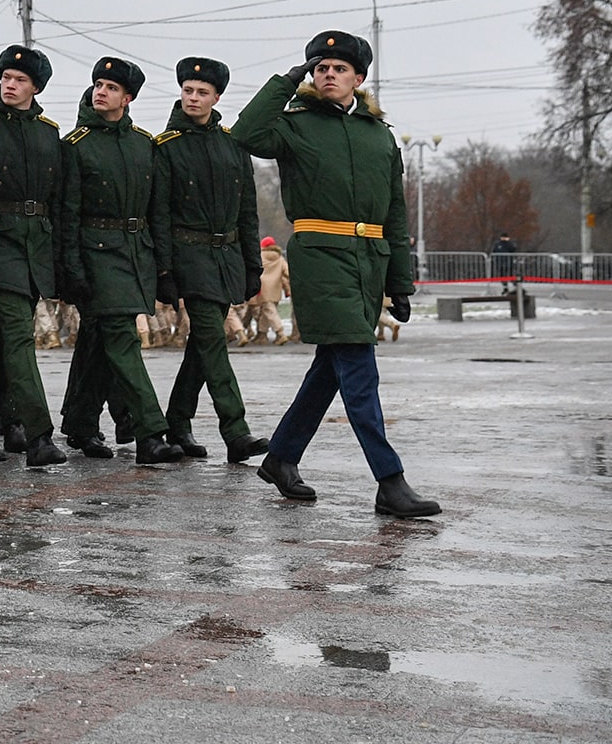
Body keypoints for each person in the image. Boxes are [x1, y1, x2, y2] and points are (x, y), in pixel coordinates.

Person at [233, 30, 439, 518]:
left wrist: (400, 282)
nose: (328, 74)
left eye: (338, 68)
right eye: (320, 67)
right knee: (360, 370)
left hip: (369, 262)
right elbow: (244, 134)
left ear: (358, 78)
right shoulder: (293, 125)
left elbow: (394, 213)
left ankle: (281, 458)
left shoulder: (380, 136)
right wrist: (286, 81)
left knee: (331, 369)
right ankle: (390, 481)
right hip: (321, 257)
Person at [55, 58, 183, 466]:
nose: (101, 92)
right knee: (122, 339)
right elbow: (67, 214)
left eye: (111, 87)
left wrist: (163, 268)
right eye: (98, 84)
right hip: (96, 254)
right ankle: (150, 431)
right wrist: (71, 269)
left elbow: (158, 211)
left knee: (97, 342)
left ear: (127, 98)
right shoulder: (75, 146)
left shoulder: (145, 145)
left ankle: (80, 424)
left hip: (136, 252)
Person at [149, 56, 270, 464]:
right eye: (187, 90)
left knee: (202, 347)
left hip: (228, 258)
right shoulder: (165, 147)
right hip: (189, 257)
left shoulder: (232, 145)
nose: (193, 98)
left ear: (217, 97)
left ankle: (178, 422)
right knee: (214, 343)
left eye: (202, 92)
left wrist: (254, 265)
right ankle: (235, 429)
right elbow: (159, 215)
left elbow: (247, 210)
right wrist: (164, 271)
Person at [0, 46, 69, 468]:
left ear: (35, 87)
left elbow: (57, 203)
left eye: (19, 79)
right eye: (5, 77)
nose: (9, 84)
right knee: (19, 338)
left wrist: (57, 260)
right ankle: (39, 435)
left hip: (34, 247)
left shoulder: (47, 133)